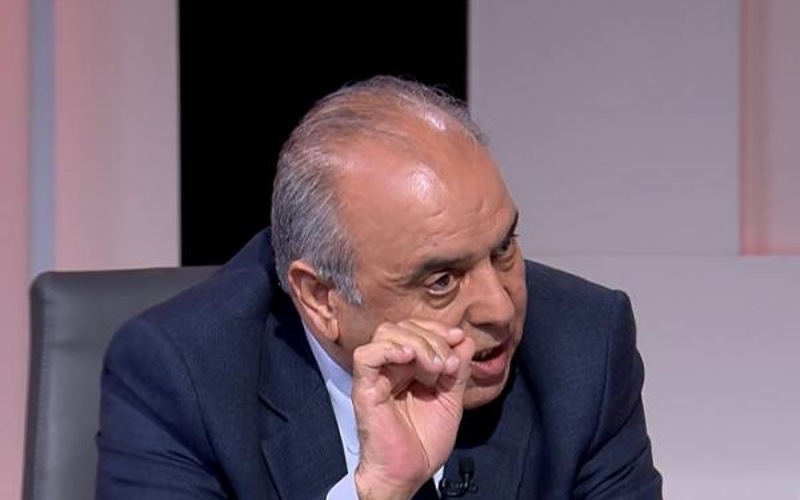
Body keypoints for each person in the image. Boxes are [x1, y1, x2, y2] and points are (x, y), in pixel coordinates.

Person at [96, 75, 663, 499]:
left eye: (503, 249)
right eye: (442, 281)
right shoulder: (181, 376)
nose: (499, 307)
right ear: (321, 299)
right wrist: (379, 492)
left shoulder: (584, 347)